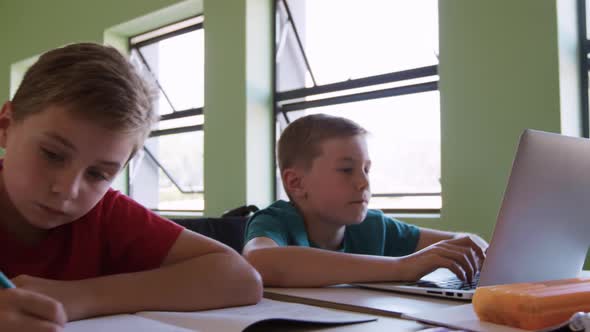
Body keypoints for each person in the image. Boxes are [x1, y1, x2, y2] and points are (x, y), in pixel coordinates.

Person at [0, 43, 262, 331]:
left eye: (98, 174)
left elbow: (240, 277)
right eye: (52, 154)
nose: (68, 189)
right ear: (5, 127)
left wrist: (80, 297)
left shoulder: (105, 214)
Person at [242, 113, 488, 287]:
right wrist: (401, 267)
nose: (363, 182)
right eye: (346, 170)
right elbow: (260, 261)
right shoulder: (275, 222)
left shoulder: (374, 226)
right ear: (296, 183)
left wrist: (473, 246)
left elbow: (460, 241)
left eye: (366, 169)